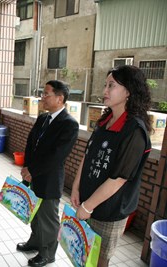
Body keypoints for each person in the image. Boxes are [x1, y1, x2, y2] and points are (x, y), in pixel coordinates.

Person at [71, 65, 152, 267]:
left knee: (98, 260)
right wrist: (76, 186)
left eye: (111, 85)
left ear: (129, 92)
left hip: (108, 211)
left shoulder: (135, 131)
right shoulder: (105, 120)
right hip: (86, 203)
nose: (104, 91)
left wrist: (88, 206)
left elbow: (118, 179)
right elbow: (88, 155)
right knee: (82, 254)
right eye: (105, 85)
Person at [16, 80, 79, 267]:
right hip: (33, 175)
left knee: (48, 219)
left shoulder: (69, 124)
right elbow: (31, 144)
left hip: (49, 179)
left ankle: (48, 253)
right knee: (34, 213)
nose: (42, 97)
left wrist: (32, 171)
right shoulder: (43, 118)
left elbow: (56, 156)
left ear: (60, 98)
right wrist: (27, 167)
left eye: (46, 94)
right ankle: (35, 242)